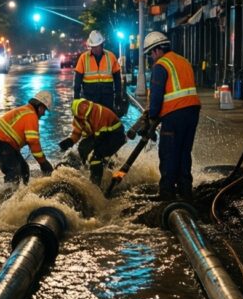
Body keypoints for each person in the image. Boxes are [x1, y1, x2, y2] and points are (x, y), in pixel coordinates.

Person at [137, 32, 201, 201]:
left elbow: (157, 95)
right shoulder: (183, 60)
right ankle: (185, 192)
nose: (152, 57)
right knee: (183, 153)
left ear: (158, 50)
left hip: (175, 115)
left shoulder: (161, 65)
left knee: (168, 153)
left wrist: (152, 116)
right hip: (193, 112)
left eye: (151, 53)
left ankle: (167, 195)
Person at [0, 90, 55, 185]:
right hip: (0, 141)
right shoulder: (31, 116)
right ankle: (6, 198)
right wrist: (43, 163)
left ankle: (21, 195)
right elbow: (33, 142)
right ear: (40, 107)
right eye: (44, 110)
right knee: (14, 174)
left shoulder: (27, 110)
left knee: (24, 170)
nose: (44, 114)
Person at [59, 98, 126, 186]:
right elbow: (77, 132)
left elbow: (100, 136)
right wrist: (70, 141)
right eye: (80, 108)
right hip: (99, 135)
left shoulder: (99, 112)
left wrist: (92, 148)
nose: (83, 108)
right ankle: (88, 168)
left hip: (115, 136)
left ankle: (95, 185)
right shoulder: (79, 118)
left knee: (96, 157)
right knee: (82, 147)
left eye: (83, 106)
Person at [74, 30, 123, 114]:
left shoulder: (111, 57)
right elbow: (78, 79)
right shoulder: (83, 58)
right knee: (92, 123)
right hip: (90, 98)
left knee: (107, 122)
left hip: (107, 98)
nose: (95, 49)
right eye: (93, 47)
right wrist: (76, 97)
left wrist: (118, 94)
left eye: (97, 46)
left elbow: (117, 78)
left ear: (102, 45)